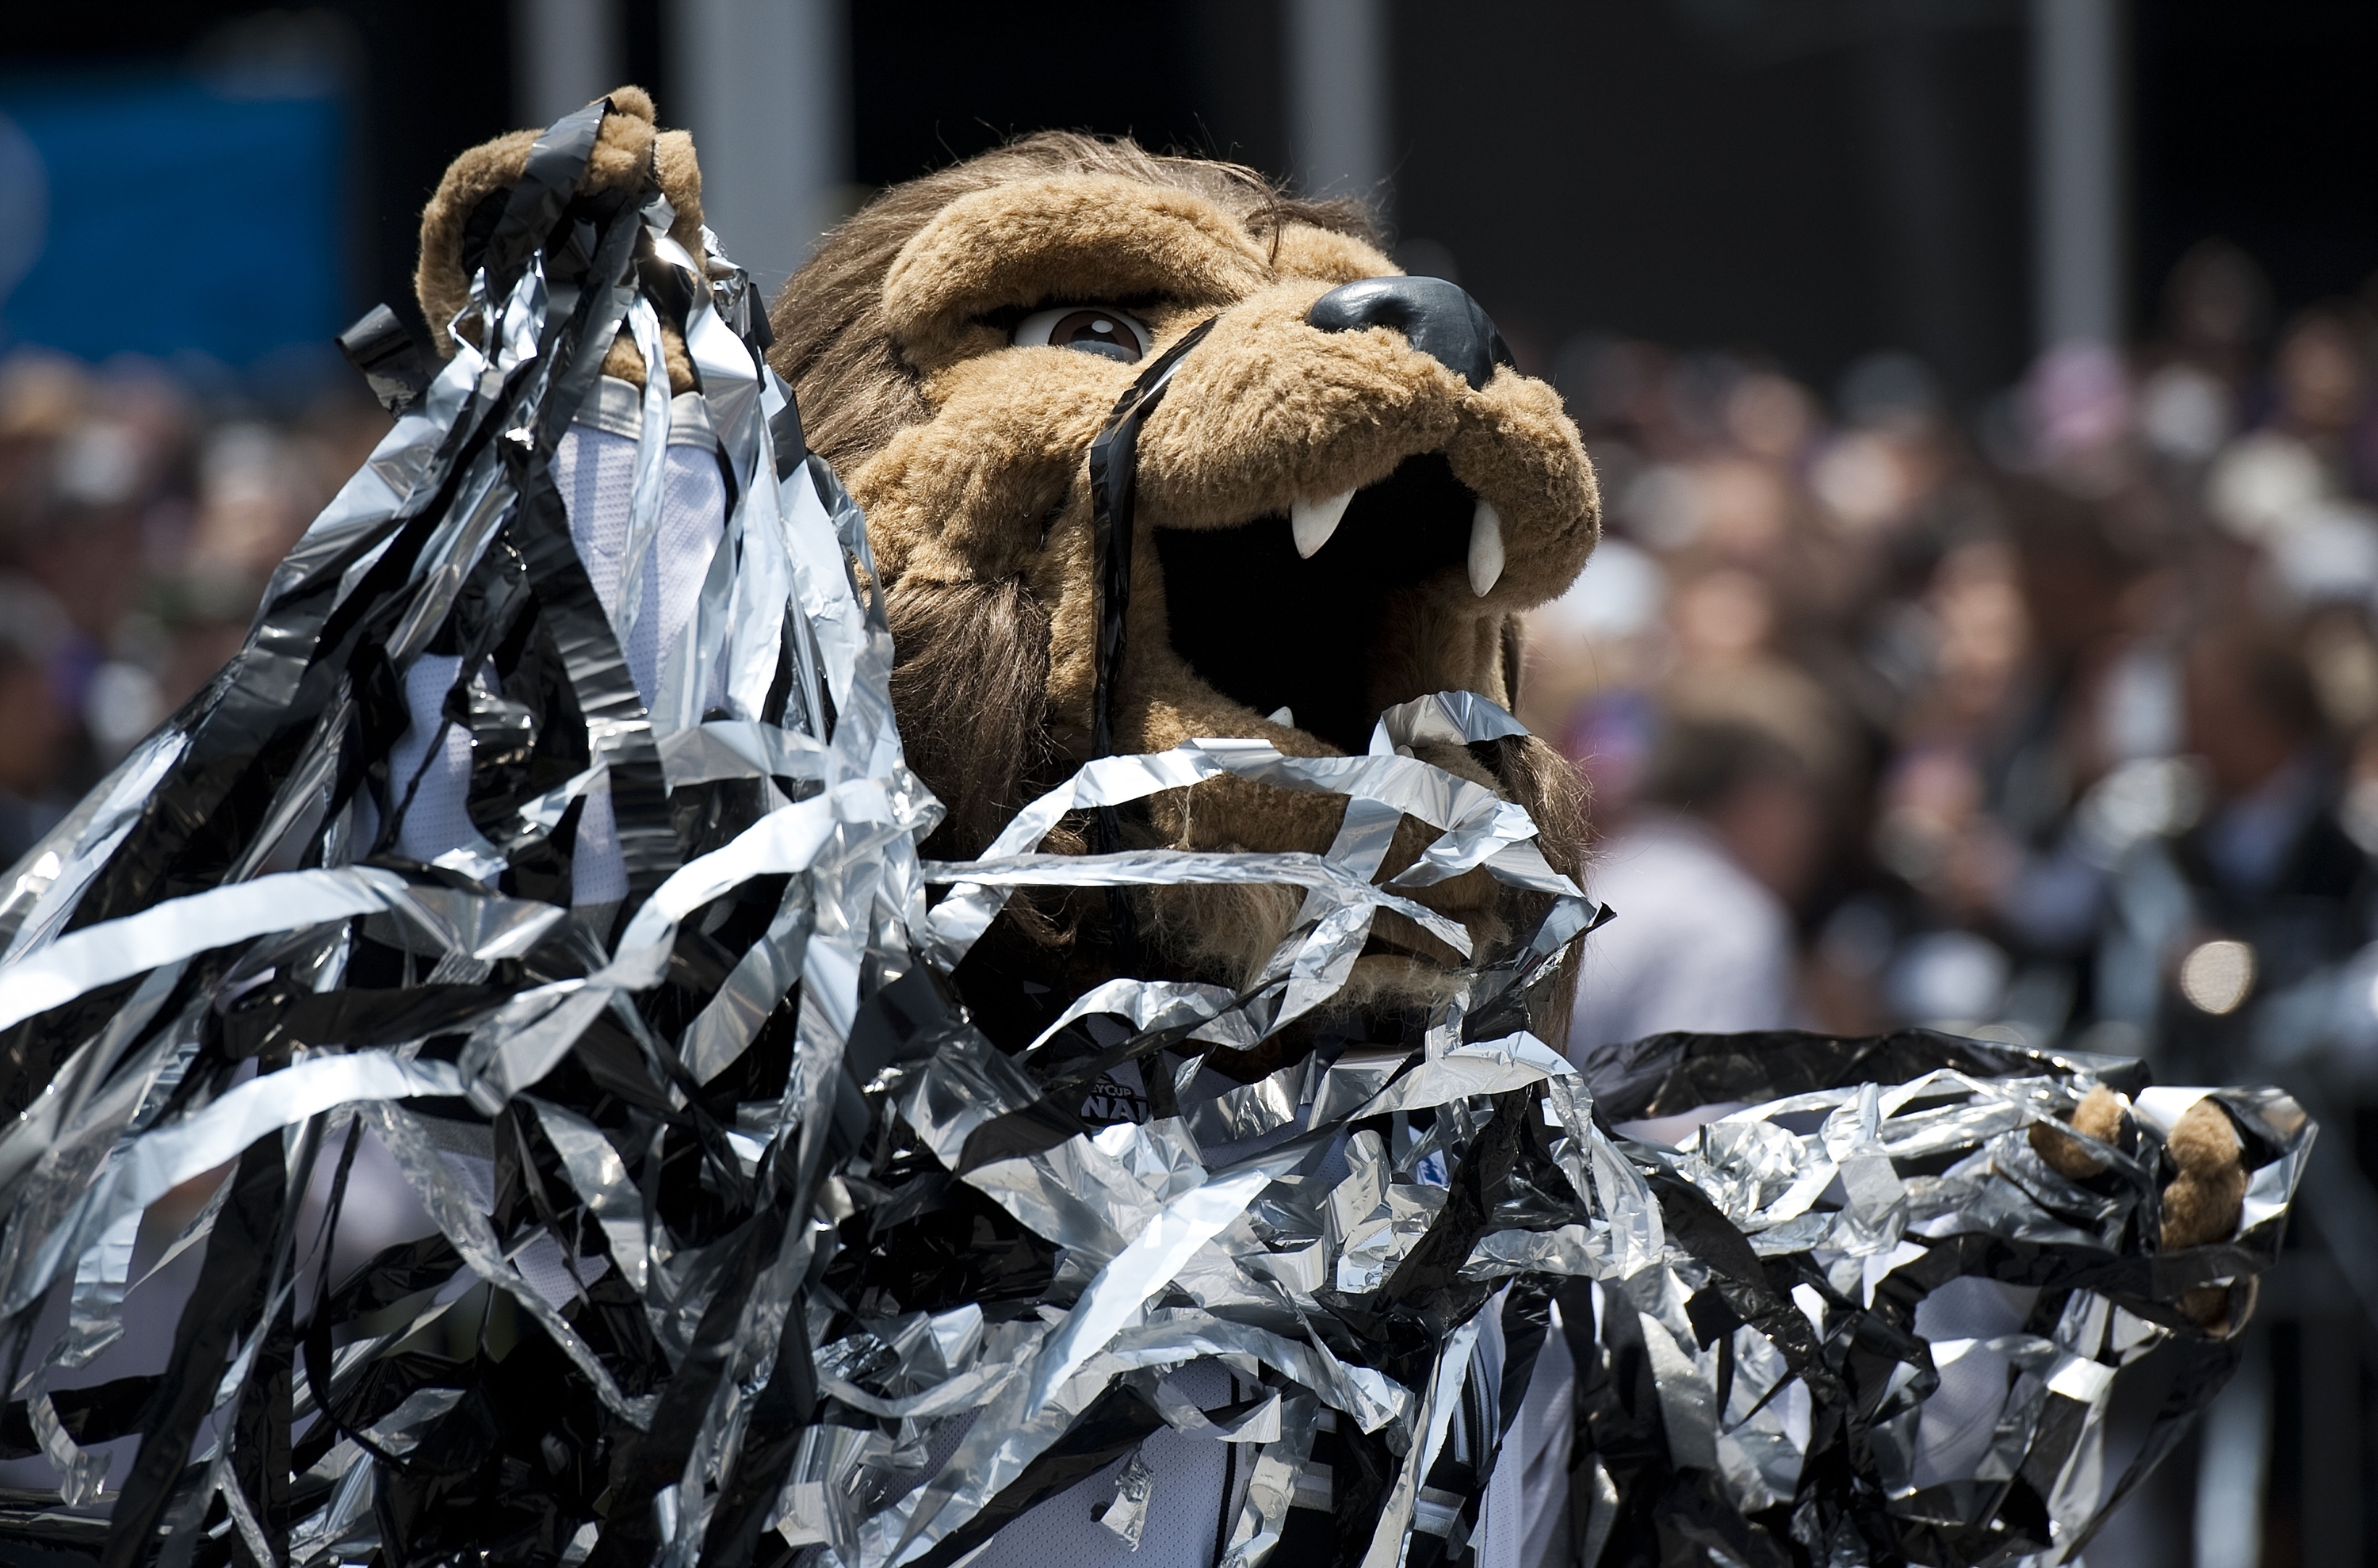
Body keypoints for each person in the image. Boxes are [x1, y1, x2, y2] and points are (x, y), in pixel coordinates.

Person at [1569, 710, 1825, 1053]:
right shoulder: (1721, 920)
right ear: (1759, 797)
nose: (1813, 838)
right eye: (1802, 806)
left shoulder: (1601, 873)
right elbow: (1690, 1103)